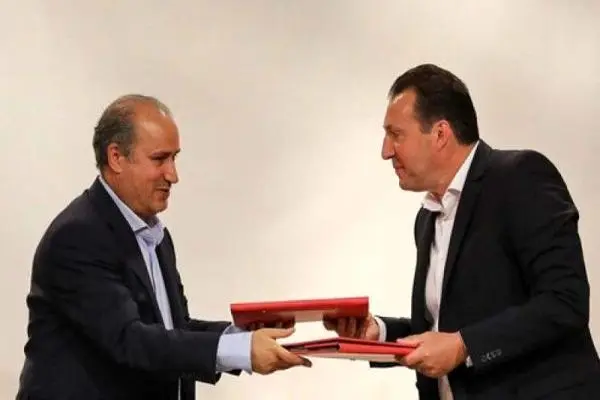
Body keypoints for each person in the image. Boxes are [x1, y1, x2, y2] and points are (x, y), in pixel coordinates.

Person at [324, 64, 600, 399]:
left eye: (396, 134)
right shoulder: (427, 219)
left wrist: (464, 345)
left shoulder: (520, 177)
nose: (386, 151)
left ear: (440, 134)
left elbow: (565, 301)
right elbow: (445, 332)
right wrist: (378, 334)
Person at [16, 94, 310, 400]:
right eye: (159, 159)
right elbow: (130, 340)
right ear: (116, 157)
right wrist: (240, 351)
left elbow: (174, 329)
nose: (173, 175)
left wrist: (246, 337)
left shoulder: (155, 235)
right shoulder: (78, 236)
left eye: (174, 158)